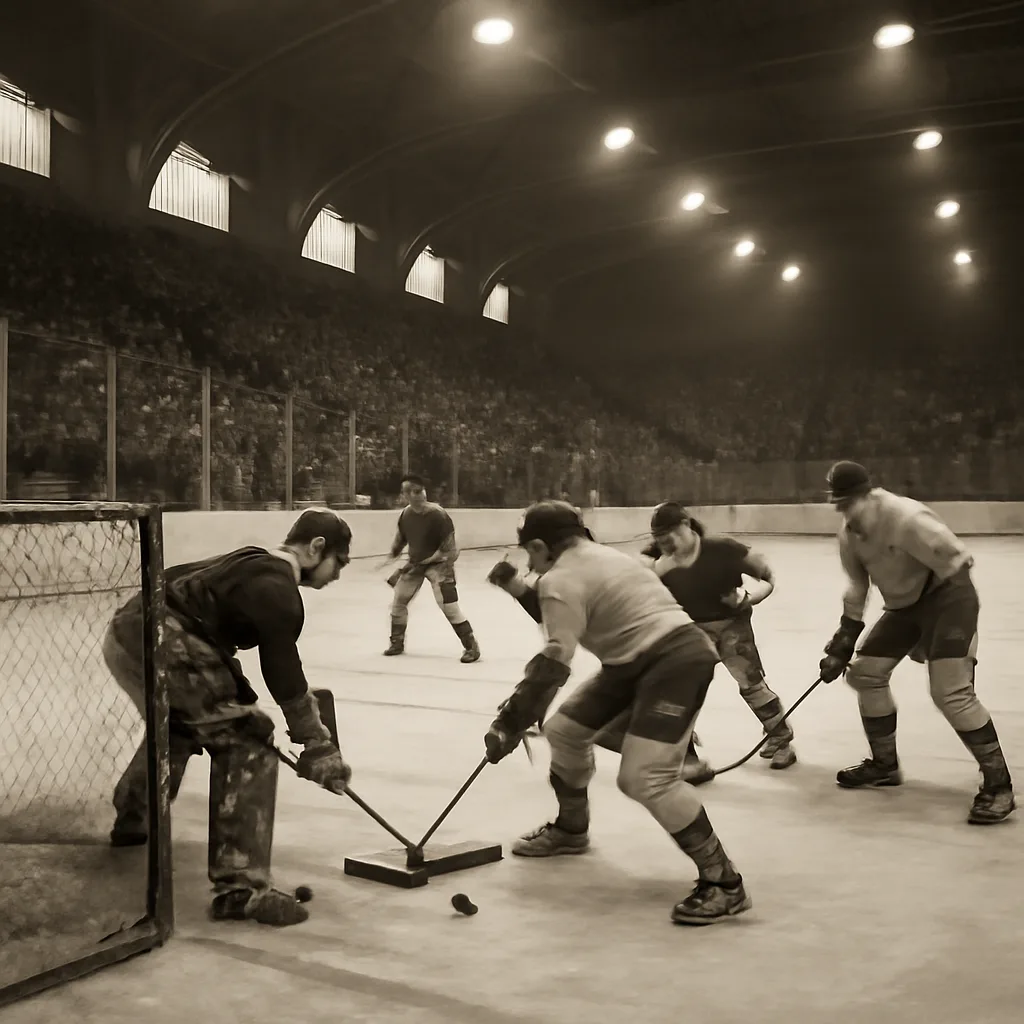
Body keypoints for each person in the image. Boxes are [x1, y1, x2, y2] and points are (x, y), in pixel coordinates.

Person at [483, 501, 751, 925]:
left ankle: (724, 883)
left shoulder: (560, 578)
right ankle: (572, 829)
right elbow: (566, 613)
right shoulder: (605, 556)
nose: (528, 562)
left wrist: (512, 719)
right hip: (634, 662)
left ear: (539, 545)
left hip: (674, 662)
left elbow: (556, 657)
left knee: (645, 778)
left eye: (529, 553)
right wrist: (520, 589)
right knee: (564, 731)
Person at [102, 508, 355, 926]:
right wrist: (316, 743)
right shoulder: (279, 589)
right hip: (168, 639)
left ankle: (134, 815)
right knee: (248, 740)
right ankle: (239, 888)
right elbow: (282, 670)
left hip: (126, 633)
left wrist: (237, 693)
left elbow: (214, 646)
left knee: (184, 723)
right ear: (316, 549)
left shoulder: (246, 561)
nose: (337, 575)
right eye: (339, 564)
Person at [818, 461, 1015, 825]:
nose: (843, 512)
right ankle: (884, 765)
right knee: (864, 674)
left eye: (848, 503)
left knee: (951, 692)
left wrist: (953, 642)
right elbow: (858, 588)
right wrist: (842, 641)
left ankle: (999, 785)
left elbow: (958, 564)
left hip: (948, 596)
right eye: (838, 504)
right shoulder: (849, 535)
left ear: (868, 495)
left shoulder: (905, 518)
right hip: (906, 606)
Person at [635, 502, 796, 781]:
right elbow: (637, 591)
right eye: (660, 541)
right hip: (690, 630)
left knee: (751, 685)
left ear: (686, 525)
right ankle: (684, 752)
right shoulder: (655, 560)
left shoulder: (724, 550)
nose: (667, 545)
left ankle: (781, 737)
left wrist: (748, 598)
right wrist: (660, 569)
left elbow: (767, 579)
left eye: (670, 537)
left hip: (733, 626)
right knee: (682, 690)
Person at [383, 474, 480, 663]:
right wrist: (394, 552)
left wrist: (428, 561)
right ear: (405, 494)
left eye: (421, 490)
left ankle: (471, 646)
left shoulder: (438, 515)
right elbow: (401, 537)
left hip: (440, 565)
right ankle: (397, 642)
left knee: (449, 607)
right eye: (414, 491)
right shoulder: (406, 515)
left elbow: (449, 549)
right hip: (416, 564)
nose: (420, 495)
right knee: (398, 602)